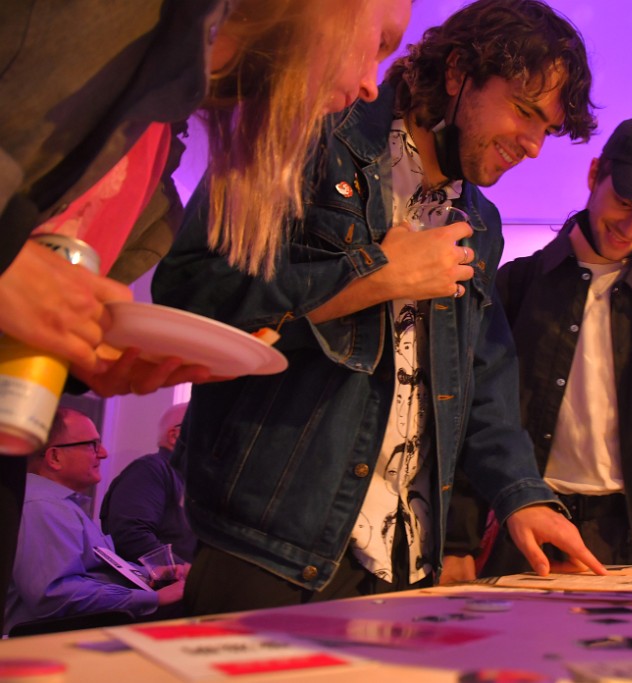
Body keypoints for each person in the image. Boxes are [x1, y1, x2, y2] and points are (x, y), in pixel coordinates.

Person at [152, 0, 606, 616]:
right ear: (458, 73)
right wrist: (371, 275)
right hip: (271, 547)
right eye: (525, 111)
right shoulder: (313, 130)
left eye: (547, 130)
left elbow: (484, 378)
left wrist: (522, 495)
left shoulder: (481, 222)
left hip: (405, 562)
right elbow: (191, 293)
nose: (532, 146)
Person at [0, 0, 414, 634]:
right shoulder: (113, 16)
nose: (371, 85)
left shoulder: (160, 141)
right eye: (379, 41)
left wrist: (90, 353)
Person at [445, 115, 632, 578]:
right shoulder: (517, 285)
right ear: (594, 174)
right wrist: (458, 541)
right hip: (527, 529)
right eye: (625, 202)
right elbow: (473, 419)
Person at [4, 409, 185, 635]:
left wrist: (151, 574)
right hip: (53, 641)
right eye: (92, 445)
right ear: (55, 457)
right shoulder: (41, 505)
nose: (104, 453)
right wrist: (153, 598)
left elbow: (93, 573)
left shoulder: (60, 505)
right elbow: (55, 595)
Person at [100, 403, 196, 563]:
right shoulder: (151, 470)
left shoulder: (195, 482)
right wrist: (183, 570)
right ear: (175, 436)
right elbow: (131, 534)